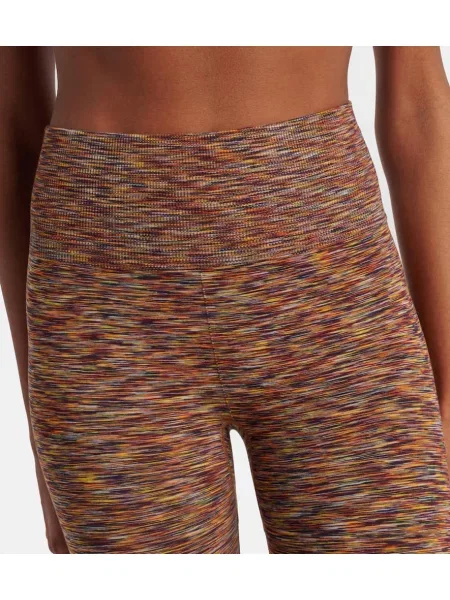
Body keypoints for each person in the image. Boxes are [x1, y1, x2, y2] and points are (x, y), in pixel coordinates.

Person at [1, 46, 450, 554]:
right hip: (109, 323)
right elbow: (12, 120)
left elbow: (418, 103)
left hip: (338, 307)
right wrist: (40, 432)